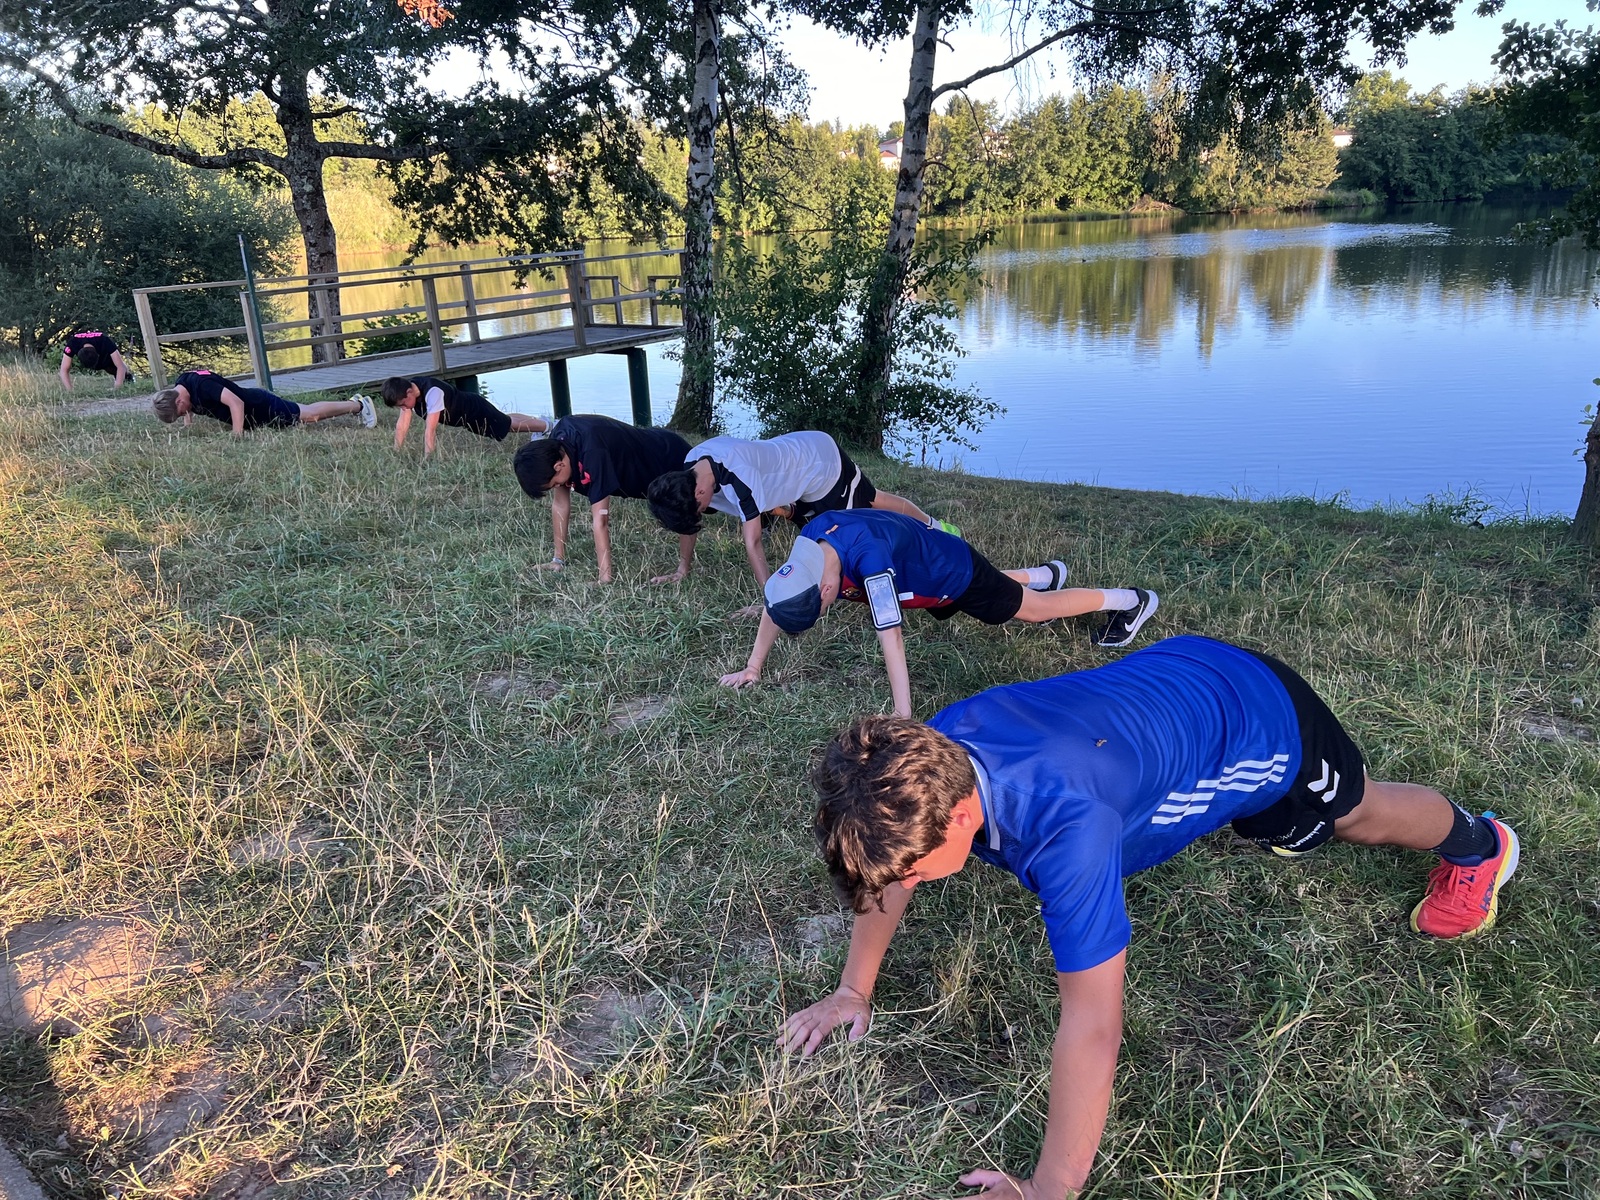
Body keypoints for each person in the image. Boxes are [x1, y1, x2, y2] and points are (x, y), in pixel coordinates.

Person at [781, 635, 1521, 1200]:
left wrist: (1047, 1190)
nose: (905, 884)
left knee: (1357, 814)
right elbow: (888, 872)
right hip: (1178, 676)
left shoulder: (1067, 834)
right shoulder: (933, 752)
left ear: (962, 815)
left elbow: (1093, 1025)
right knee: (1279, 827)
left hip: (1263, 716)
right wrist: (852, 990)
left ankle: (1482, 844)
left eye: (913, 871)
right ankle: (1278, 815)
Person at [722, 509, 1158, 717]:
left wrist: (902, 715)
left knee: (1035, 611)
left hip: (953, 573)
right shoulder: (810, 549)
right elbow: (778, 602)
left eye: (821, 609)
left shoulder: (871, 565)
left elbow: (891, 636)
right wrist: (753, 667)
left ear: (827, 590)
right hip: (919, 569)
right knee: (1000, 586)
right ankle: (1044, 573)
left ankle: (1130, 600)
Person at [646, 431, 960, 588]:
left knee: (869, 510)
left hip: (820, 465)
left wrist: (769, 599)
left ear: (700, 492)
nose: (700, 515)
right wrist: (682, 569)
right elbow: (687, 523)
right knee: (828, 530)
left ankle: (934, 528)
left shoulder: (739, 478)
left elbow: (753, 542)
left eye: (698, 510)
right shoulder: (691, 467)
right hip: (794, 467)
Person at [513, 414, 693, 585]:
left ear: (559, 466)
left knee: (683, 507)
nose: (558, 487)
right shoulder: (556, 446)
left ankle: (682, 571)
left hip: (668, 456)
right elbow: (560, 504)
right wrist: (557, 560)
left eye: (554, 484)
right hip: (644, 460)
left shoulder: (593, 453)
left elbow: (601, 520)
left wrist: (604, 578)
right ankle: (559, 561)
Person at [151, 369, 376, 437]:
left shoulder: (203, 386)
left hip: (260, 406)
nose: (184, 414)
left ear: (178, 399)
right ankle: (355, 404)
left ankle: (358, 405)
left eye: (181, 413)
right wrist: (188, 424)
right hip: (256, 414)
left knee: (310, 415)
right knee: (306, 412)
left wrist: (237, 434)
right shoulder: (181, 385)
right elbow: (189, 406)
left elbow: (236, 403)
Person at [381, 376, 548, 458]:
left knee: (507, 426)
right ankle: (538, 421)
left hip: (474, 410)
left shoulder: (433, 392)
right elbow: (402, 425)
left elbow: (430, 430)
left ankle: (546, 426)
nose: (403, 408)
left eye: (403, 404)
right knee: (505, 419)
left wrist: (428, 459)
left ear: (409, 392)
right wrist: (396, 451)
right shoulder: (409, 394)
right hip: (467, 416)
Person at [59, 329, 132, 392]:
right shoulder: (73, 343)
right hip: (90, 353)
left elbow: (121, 366)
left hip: (105, 358)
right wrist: (70, 390)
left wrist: (117, 388)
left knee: (116, 369)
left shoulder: (105, 341)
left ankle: (129, 379)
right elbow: (64, 370)